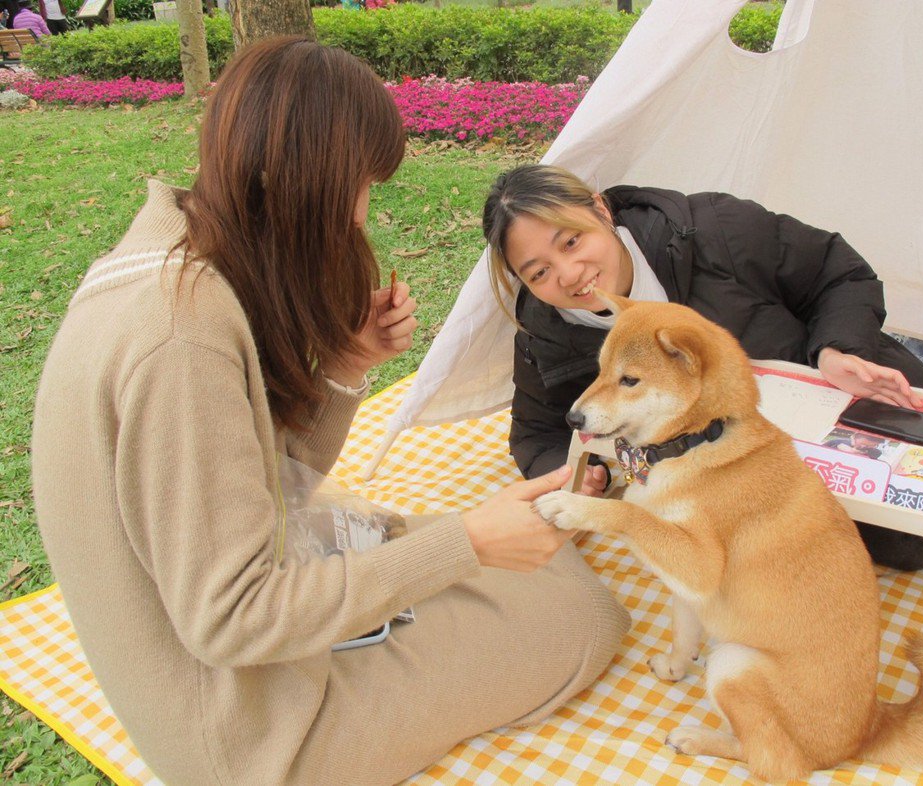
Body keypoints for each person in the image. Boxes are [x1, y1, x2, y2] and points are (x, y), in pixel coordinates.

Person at [32, 40, 628, 786]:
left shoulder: (172, 254)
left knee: (510, 550)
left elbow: (266, 488)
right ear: (309, 180)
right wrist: (466, 545)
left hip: (248, 623)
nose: (360, 215)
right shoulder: (181, 338)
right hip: (252, 731)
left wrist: (346, 369)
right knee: (579, 615)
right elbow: (233, 617)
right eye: (361, 185)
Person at [483, 163, 923, 571]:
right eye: (539, 272)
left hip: (842, 399)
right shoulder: (545, 332)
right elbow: (535, 433)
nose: (568, 276)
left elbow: (837, 273)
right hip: (742, 475)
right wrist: (585, 477)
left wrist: (837, 350)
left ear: (600, 210)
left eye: (570, 242)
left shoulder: (714, 229)